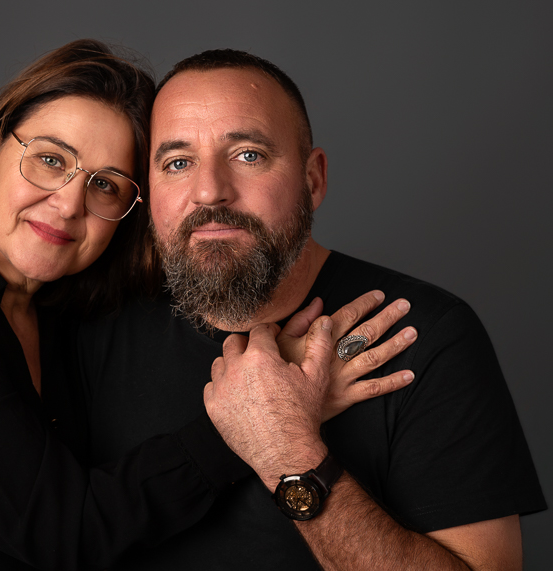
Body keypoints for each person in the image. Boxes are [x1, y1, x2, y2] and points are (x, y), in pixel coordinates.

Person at [0, 40, 413, 571]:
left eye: (105, 183)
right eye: (50, 159)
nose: (69, 203)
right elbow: (64, 533)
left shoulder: (72, 322)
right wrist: (257, 422)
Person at [74, 49, 547, 570]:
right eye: (177, 163)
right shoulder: (93, 330)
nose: (209, 190)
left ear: (313, 179)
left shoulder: (424, 335)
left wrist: (286, 450)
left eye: (248, 155)